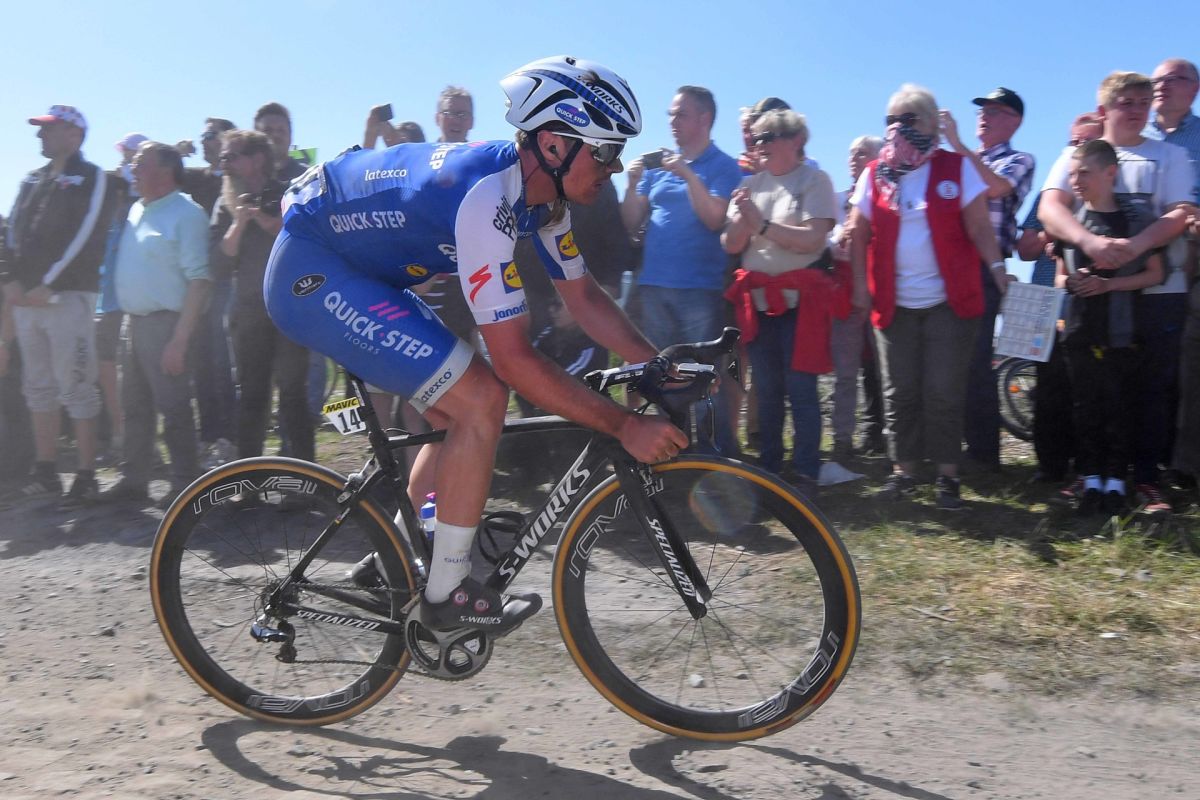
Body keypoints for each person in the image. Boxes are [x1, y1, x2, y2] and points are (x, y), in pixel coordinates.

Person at [263, 56, 685, 633]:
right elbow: (513, 361)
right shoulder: (487, 199)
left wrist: (654, 364)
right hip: (311, 271)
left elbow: (584, 296)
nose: (613, 167)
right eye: (605, 151)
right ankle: (447, 595)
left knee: (453, 408)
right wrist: (623, 424)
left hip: (364, 272)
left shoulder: (544, 202)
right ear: (554, 145)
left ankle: (391, 560)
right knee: (481, 398)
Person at [848, 85, 1012, 511]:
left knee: (942, 390)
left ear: (929, 124)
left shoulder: (957, 168)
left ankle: (947, 477)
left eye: (908, 119)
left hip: (948, 302)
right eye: (891, 120)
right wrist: (860, 288)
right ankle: (904, 472)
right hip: (893, 302)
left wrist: (997, 268)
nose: (898, 128)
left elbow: (980, 228)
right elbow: (858, 233)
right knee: (899, 390)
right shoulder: (875, 174)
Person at [1039, 71, 1196, 514]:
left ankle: (1145, 480)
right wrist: (1090, 244)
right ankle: (1088, 475)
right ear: (1104, 109)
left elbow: (1181, 212)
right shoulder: (1074, 155)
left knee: (1150, 391)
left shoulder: (1171, 154)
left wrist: (1135, 246)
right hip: (1092, 297)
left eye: (1143, 102)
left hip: (1158, 291)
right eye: (1126, 102)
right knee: (1088, 391)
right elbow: (1051, 208)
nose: (1137, 110)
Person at [621, 85, 743, 455]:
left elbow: (714, 219)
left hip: (699, 289)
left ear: (704, 119)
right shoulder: (658, 168)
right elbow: (630, 222)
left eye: (681, 114)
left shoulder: (723, 167)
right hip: (654, 285)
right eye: (671, 114)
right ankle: (670, 452)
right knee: (659, 376)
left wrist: (689, 176)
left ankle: (713, 456)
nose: (672, 121)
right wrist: (631, 185)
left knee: (703, 379)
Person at [721, 109, 839, 491]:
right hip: (759, 304)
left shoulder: (815, 180)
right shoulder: (749, 185)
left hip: (801, 304)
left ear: (796, 140)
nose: (759, 145)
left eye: (768, 137)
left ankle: (806, 469)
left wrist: (762, 225)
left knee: (801, 388)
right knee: (768, 389)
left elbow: (813, 239)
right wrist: (744, 220)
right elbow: (731, 244)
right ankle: (770, 468)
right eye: (756, 138)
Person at [1, 105, 112, 507]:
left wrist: (49, 283)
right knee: (37, 386)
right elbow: (11, 231)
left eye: (48, 129)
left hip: (67, 297)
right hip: (26, 299)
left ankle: (86, 474)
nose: (40, 136)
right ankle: (46, 470)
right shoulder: (31, 179)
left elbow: (87, 233)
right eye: (40, 129)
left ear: (74, 134)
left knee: (77, 384)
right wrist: (10, 278)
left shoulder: (93, 177)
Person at [1054, 140, 1165, 515]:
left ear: (1110, 173)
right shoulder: (1072, 224)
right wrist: (1073, 281)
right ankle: (1090, 481)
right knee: (1085, 408)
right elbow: (1059, 277)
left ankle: (1116, 484)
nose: (1076, 180)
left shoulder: (1136, 222)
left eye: (1084, 172)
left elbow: (1156, 274)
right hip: (1079, 330)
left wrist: (1110, 285)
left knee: (1119, 407)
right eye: (1072, 174)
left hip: (1122, 331)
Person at [103, 142, 210, 507]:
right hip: (133, 323)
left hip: (168, 324)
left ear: (164, 171)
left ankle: (185, 484)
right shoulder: (138, 209)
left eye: (139, 164)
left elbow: (200, 280)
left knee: (174, 407)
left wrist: (179, 340)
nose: (131, 169)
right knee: (133, 406)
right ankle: (134, 479)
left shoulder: (187, 213)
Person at [941, 88, 1036, 473]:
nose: (984, 116)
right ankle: (958, 448)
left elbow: (997, 187)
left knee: (976, 360)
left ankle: (983, 454)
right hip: (949, 267)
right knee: (951, 361)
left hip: (985, 268)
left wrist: (957, 145)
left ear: (1015, 121)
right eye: (983, 111)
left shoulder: (1019, 159)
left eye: (995, 111)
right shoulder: (963, 158)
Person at [210, 130, 310, 462]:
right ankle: (249, 476)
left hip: (290, 308)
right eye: (222, 157)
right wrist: (239, 222)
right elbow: (219, 263)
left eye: (231, 156)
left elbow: (303, 238)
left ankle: (306, 475)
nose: (224, 163)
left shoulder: (288, 192)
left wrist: (265, 219)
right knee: (252, 396)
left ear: (257, 159)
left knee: (293, 395)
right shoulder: (225, 202)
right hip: (249, 312)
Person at [1016, 114, 1104, 489]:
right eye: (1073, 142)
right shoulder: (1049, 194)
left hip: (1084, 299)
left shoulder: (1104, 197)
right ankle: (1049, 466)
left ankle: (1085, 467)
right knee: (1046, 389)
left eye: (1087, 142)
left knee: (1083, 388)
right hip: (1039, 298)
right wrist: (1053, 232)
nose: (1077, 149)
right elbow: (1023, 249)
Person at [829, 135, 884, 459]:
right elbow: (827, 241)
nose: (854, 158)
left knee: (882, 369)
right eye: (851, 153)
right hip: (845, 293)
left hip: (881, 290)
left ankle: (883, 436)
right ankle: (842, 438)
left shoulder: (886, 196)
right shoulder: (837, 199)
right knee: (846, 372)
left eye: (861, 153)